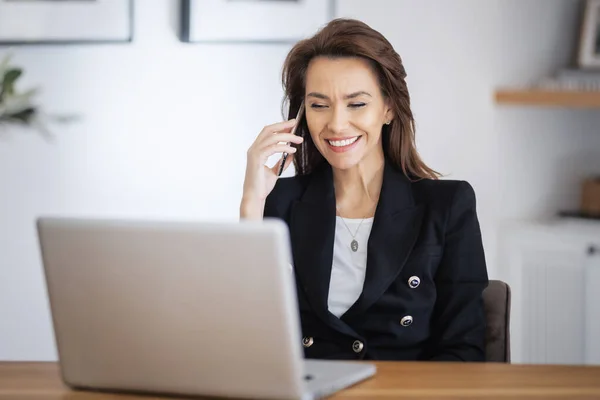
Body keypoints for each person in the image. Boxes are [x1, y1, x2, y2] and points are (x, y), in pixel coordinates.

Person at [240, 18, 489, 361]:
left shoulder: (447, 206)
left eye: (356, 104)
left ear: (388, 108)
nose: (336, 123)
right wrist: (252, 203)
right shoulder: (279, 202)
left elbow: (464, 353)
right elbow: (248, 340)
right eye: (318, 104)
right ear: (300, 116)